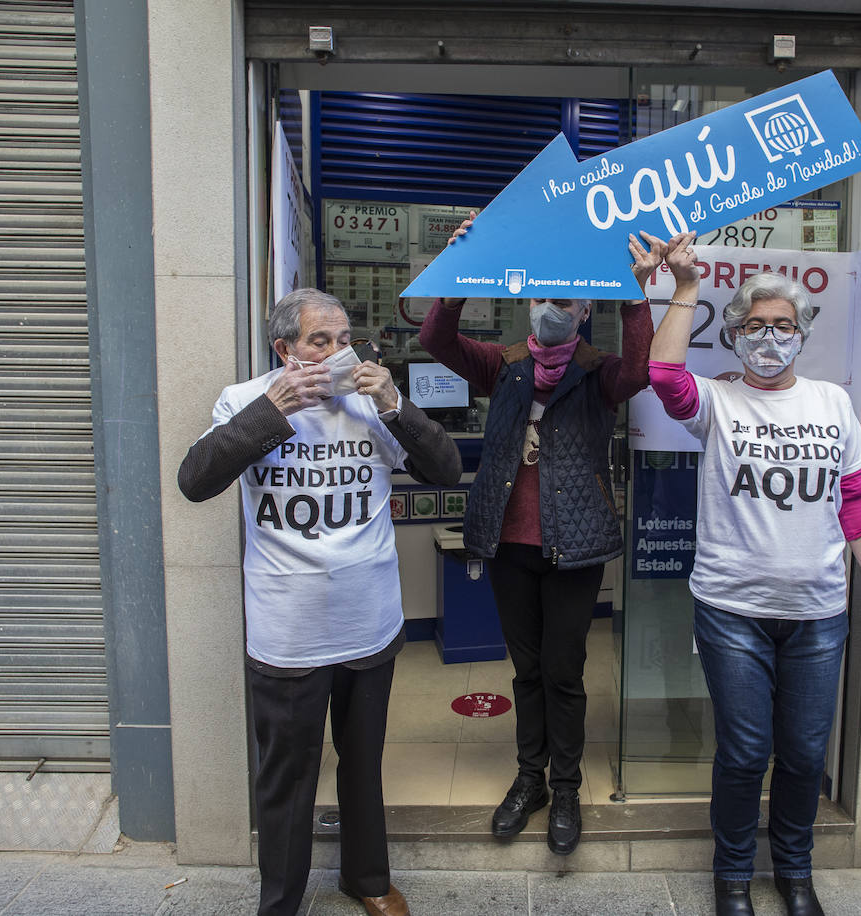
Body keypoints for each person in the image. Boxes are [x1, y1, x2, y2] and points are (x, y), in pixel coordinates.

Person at [647, 236, 861, 916]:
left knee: (805, 756)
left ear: (802, 334)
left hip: (819, 613)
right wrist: (685, 289)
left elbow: (856, 505)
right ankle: (733, 878)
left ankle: (796, 874)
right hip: (731, 609)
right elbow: (663, 379)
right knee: (746, 752)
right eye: (754, 326)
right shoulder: (717, 402)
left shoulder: (831, 403)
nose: (769, 337)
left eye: (782, 326)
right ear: (736, 335)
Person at [178, 288, 462, 916]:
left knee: (364, 762)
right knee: (287, 775)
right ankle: (279, 900)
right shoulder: (245, 399)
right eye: (319, 341)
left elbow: (444, 467)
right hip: (287, 632)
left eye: (345, 339)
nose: (338, 353)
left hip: (370, 621)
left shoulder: (369, 403)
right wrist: (268, 412)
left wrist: (393, 403)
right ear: (284, 349)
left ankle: (365, 877)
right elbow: (195, 481)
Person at [418, 215, 671, 854]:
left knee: (564, 670)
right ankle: (528, 779)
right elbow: (436, 338)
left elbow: (641, 372)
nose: (547, 310)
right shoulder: (502, 366)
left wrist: (637, 295)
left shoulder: (600, 372)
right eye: (539, 298)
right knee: (526, 669)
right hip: (509, 545)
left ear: (584, 311)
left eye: (562, 301)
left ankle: (565, 787)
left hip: (575, 548)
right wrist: (458, 274)